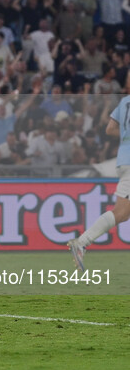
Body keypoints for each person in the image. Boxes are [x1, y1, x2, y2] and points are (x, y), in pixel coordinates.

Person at [68, 96, 130, 271]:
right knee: (121, 212)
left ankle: (82, 242)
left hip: (123, 160)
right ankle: (82, 242)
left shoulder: (125, 101)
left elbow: (110, 129)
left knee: (124, 213)